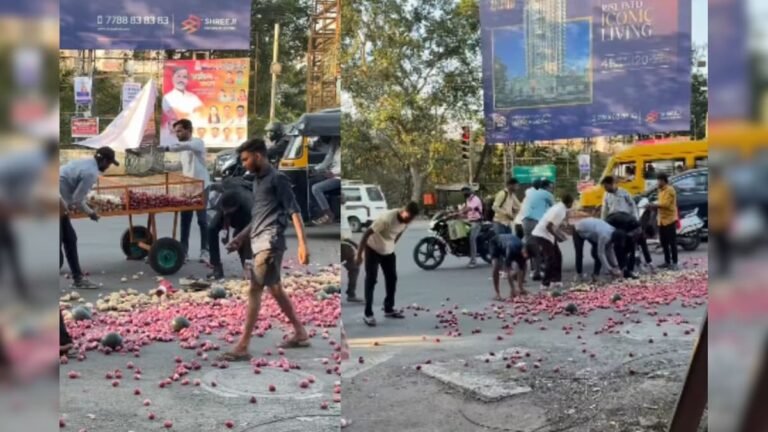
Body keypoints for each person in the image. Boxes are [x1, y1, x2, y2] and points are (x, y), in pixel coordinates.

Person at [218, 138, 311, 361]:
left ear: (258, 156)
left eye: (246, 159)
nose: (244, 163)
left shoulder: (278, 179)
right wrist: (241, 238)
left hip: (270, 243)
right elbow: (260, 216)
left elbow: (294, 211)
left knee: (254, 290)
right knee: (276, 289)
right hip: (259, 241)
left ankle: (243, 345)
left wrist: (303, 244)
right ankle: (300, 332)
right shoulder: (257, 181)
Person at [60, 147, 119, 289]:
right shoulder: (90, 173)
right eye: (109, 163)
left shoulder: (84, 163)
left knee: (69, 239)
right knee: (63, 239)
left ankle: (78, 278)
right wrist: (91, 213)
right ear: (103, 161)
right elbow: (77, 200)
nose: (109, 166)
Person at [356, 202, 419, 326]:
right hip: (373, 249)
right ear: (404, 211)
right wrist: (359, 255)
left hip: (388, 251)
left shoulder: (407, 221)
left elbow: (399, 232)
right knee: (371, 280)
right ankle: (368, 314)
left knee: (392, 279)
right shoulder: (387, 218)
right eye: (409, 217)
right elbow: (366, 234)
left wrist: (392, 244)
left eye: (412, 219)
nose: (409, 220)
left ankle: (388, 308)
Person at [159, 119, 211, 263]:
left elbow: (185, 146)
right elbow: (178, 165)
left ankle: (205, 251)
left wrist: (166, 148)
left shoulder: (197, 143)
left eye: (180, 131)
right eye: (176, 132)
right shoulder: (182, 148)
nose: (177, 134)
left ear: (189, 130)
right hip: (188, 188)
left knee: (202, 221)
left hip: (202, 186)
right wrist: (160, 166)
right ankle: (184, 251)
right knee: (185, 220)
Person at [206, 177, 254, 280]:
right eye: (224, 211)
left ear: (236, 208)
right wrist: (225, 232)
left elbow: (251, 232)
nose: (226, 214)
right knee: (211, 228)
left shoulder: (248, 205)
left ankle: (247, 268)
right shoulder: (221, 200)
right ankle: (216, 267)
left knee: (241, 239)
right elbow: (225, 213)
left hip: (247, 220)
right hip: (227, 202)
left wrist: (239, 239)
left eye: (228, 212)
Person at [530, 194, 574, 290]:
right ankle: (545, 283)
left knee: (558, 256)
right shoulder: (560, 211)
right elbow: (549, 226)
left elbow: (556, 225)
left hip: (547, 235)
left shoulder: (560, 207)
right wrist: (558, 237)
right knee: (550, 259)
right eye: (572, 203)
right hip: (542, 234)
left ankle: (556, 280)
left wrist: (560, 235)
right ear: (569, 203)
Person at [519, 179, 555, 279]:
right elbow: (554, 209)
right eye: (551, 187)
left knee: (530, 245)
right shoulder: (547, 194)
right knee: (539, 247)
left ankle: (520, 269)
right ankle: (537, 272)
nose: (552, 189)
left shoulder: (530, 193)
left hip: (525, 222)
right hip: (536, 222)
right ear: (546, 187)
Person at [573, 217, 624, 282]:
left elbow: (610, 250)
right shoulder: (604, 236)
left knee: (596, 253)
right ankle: (579, 274)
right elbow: (601, 253)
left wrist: (617, 266)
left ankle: (595, 275)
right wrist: (610, 269)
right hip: (579, 228)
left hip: (593, 231)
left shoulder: (613, 232)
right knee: (579, 253)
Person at [162, 67, 203, 137]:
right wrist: (190, 114)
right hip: (174, 133)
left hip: (192, 132)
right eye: (178, 76)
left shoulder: (193, 97)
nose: (181, 80)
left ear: (187, 80)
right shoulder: (167, 97)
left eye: (184, 77)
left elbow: (202, 111)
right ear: (172, 78)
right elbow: (174, 114)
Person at [651, 173, 678, 270]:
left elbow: (666, 204)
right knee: (664, 242)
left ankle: (675, 262)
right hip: (661, 220)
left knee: (672, 242)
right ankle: (667, 261)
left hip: (669, 220)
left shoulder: (670, 190)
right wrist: (654, 207)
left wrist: (654, 205)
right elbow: (660, 204)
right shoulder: (660, 191)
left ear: (663, 180)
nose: (657, 183)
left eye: (658, 181)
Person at [311, 137, 341, 225]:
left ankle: (328, 214)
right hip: (332, 174)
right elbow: (328, 159)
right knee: (311, 182)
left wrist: (335, 174)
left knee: (316, 188)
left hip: (338, 178)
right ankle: (317, 212)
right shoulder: (336, 147)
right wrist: (316, 170)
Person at [489, 233, 528, 300]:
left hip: (510, 241)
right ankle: (497, 293)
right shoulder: (511, 250)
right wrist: (512, 288)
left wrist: (520, 287)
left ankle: (520, 289)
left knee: (521, 267)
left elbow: (521, 269)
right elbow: (508, 270)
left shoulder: (524, 252)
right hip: (496, 242)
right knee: (496, 266)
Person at [456, 186, 484, 268]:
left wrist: (460, 212)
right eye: (463, 192)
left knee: (472, 239)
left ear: (470, 191)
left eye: (465, 191)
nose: (464, 193)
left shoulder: (475, 199)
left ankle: (473, 261)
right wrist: (456, 213)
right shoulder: (468, 199)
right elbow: (465, 209)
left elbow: (468, 209)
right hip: (470, 221)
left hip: (477, 222)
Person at [341, 234, 362, 303]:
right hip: (344, 246)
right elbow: (344, 236)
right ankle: (351, 294)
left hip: (345, 245)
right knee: (354, 269)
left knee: (354, 268)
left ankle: (351, 293)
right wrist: (355, 244)